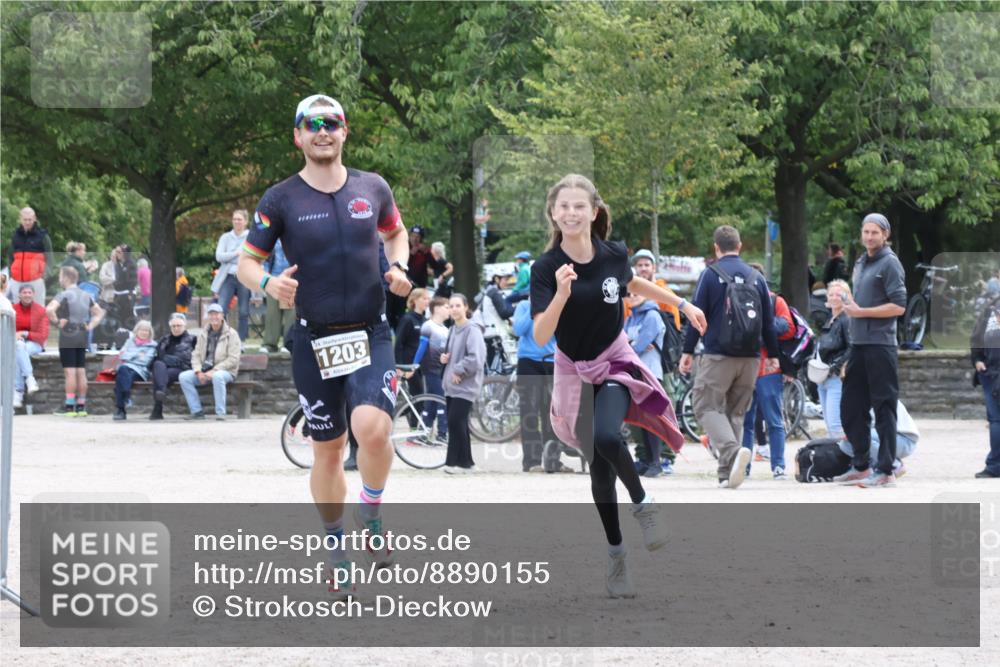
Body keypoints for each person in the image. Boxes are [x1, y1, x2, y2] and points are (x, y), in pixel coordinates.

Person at [236, 94, 411, 597]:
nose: (323, 132)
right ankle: (337, 548)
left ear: (344, 131)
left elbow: (395, 235)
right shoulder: (280, 199)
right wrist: (268, 285)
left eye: (331, 123)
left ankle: (371, 511)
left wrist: (396, 267)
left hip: (370, 331)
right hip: (314, 339)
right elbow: (248, 263)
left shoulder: (371, 187)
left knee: (373, 429)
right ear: (298, 136)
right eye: (312, 125)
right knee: (328, 451)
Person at [532, 174, 706, 599]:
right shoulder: (545, 267)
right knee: (598, 468)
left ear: (593, 212)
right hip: (574, 369)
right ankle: (616, 556)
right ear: (554, 214)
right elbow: (540, 336)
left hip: (615, 360)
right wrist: (560, 294)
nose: (571, 213)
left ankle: (644, 504)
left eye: (579, 206)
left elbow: (634, 284)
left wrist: (681, 302)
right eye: (564, 206)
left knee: (610, 435)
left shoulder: (613, 254)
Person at [679, 226, 779, 490]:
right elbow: (768, 323)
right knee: (735, 413)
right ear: (740, 245)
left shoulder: (710, 275)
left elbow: (696, 316)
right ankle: (728, 474)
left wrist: (687, 351)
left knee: (705, 405)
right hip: (751, 357)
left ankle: (732, 453)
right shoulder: (756, 277)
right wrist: (774, 356)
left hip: (718, 355)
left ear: (716, 247)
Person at [833, 213, 907, 488]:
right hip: (859, 345)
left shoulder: (890, 263)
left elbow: (899, 306)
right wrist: (850, 303)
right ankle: (861, 464)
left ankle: (886, 469)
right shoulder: (862, 261)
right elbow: (862, 300)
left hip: (881, 345)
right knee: (852, 406)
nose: (869, 237)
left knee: (884, 408)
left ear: (885, 234)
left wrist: (862, 311)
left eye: (875, 232)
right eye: (866, 232)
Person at [738, 263, 796, 480]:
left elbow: (788, 327)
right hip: (744, 369)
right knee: (745, 421)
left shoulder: (774, 301)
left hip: (768, 369)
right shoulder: (736, 299)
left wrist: (760, 330)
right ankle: (743, 467)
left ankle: (778, 466)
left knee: (774, 420)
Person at [513, 296, 570, 473]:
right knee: (529, 412)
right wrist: (534, 308)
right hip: (528, 362)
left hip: (551, 362)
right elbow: (518, 329)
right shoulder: (523, 306)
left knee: (551, 413)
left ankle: (552, 460)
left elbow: (562, 332)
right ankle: (531, 461)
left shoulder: (555, 305)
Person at [46, 266, 105, 417]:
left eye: (60, 276)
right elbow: (99, 312)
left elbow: (49, 309)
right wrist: (90, 325)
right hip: (82, 334)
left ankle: (69, 407)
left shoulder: (64, 294)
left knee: (69, 371)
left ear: (65, 278)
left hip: (68, 334)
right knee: (81, 370)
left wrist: (57, 322)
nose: (59, 279)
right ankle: (81, 406)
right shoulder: (86, 295)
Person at [624, 289, 668, 477]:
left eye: (636, 293)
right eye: (628, 293)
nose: (632, 295)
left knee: (652, 419)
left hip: (650, 374)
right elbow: (622, 345)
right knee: (639, 420)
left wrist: (632, 344)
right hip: (633, 373)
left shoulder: (652, 315)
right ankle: (645, 460)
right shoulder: (629, 319)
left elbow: (637, 347)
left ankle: (656, 462)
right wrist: (633, 344)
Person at [441, 294, 486, 473]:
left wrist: (459, 370)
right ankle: (467, 463)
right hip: (451, 385)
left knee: (454, 421)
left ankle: (451, 463)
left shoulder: (472, 330)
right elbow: (453, 354)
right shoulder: (452, 329)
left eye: (458, 305)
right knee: (459, 423)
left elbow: (476, 358)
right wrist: (445, 358)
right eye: (451, 306)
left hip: (467, 385)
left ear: (466, 307)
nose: (454, 309)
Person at [178, 303, 241, 420]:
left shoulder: (232, 334)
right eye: (211, 314)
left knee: (217, 377)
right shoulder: (203, 333)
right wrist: (198, 371)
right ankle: (197, 412)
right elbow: (195, 355)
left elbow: (233, 359)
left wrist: (215, 370)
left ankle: (220, 414)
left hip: (225, 372)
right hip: (205, 370)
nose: (214, 317)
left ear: (222, 315)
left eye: (216, 314)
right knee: (184, 377)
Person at [838, 401, 919, 478]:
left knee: (858, 437)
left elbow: (874, 424)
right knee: (846, 444)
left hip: (904, 440)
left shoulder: (876, 395)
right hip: (895, 439)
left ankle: (894, 465)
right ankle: (869, 468)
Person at [816, 279, 853, 440]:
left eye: (839, 294)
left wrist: (835, 368)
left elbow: (853, 347)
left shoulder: (847, 320)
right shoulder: (829, 320)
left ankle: (847, 461)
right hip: (823, 378)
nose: (834, 297)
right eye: (831, 294)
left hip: (836, 379)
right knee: (830, 425)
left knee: (836, 426)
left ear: (847, 296)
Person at [412, 296, 451, 442]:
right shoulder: (428, 326)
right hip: (431, 370)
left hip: (442, 370)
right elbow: (421, 348)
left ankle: (423, 433)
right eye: (447, 307)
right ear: (437, 309)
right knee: (442, 400)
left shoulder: (446, 329)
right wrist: (414, 365)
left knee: (432, 402)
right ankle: (442, 433)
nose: (449, 310)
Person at [971, 295, 1000, 478]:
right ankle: (994, 465)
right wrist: (977, 360)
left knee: (997, 420)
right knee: (996, 420)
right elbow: (976, 338)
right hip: (990, 372)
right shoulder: (991, 307)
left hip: (992, 370)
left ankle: (994, 465)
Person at [149, 312, 196, 420]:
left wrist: (174, 360)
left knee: (160, 375)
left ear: (184, 326)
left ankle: (158, 408)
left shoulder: (193, 340)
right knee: (158, 365)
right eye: (173, 326)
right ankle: (161, 391)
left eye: (179, 326)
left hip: (181, 369)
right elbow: (157, 356)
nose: (176, 328)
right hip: (163, 369)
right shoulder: (164, 340)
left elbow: (195, 358)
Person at [213, 210, 251, 341]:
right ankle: (220, 338)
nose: (236, 221)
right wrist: (236, 254)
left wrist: (228, 257)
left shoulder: (251, 236)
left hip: (244, 276)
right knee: (221, 308)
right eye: (234, 219)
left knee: (244, 311)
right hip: (227, 276)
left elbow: (250, 257)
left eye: (239, 219)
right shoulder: (225, 237)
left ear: (245, 221)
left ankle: (241, 341)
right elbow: (219, 257)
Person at [11, 284, 48, 409]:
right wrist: (15, 335)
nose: (27, 295)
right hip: (17, 344)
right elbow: (7, 328)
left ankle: (18, 392)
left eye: (29, 292)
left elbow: (43, 335)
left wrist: (25, 333)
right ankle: (29, 378)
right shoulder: (12, 309)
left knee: (18, 350)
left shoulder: (40, 310)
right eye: (24, 292)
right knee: (19, 346)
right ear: (19, 294)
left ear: (33, 294)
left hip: (35, 344)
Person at [112, 320, 157, 420]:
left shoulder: (153, 345)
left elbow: (144, 361)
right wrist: (138, 354)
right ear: (137, 331)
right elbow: (122, 355)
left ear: (150, 333)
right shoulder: (129, 342)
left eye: (147, 331)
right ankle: (126, 397)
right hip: (126, 369)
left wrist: (130, 355)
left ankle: (121, 409)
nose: (144, 333)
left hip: (140, 372)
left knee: (121, 374)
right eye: (142, 330)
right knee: (123, 372)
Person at [8, 207, 53, 304]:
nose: (27, 222)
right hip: (17, 280)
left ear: (35, 219)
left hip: (36, 280)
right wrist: (11, 274)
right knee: (18, 311)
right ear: (20, 219)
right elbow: (10, 257)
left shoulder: (43, 236)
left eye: (30, 220)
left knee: (38, 311)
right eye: (25, 219)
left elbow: (50, 259)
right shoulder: (15, 235)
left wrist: (43, 277)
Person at [260, 239, 296, 353]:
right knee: (272, 313)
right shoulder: (272, 239)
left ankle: (288, 344)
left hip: (292, 279)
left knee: (291, 314)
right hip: (273, 278)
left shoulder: (295, 235)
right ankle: (269, 344)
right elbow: (265, 260)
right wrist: (265, 278)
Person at [395, 288, 430, 397]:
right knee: (418, 395)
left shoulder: (426, 320)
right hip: (409, 364)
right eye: (424, 298)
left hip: (422, 365)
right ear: (414, 300)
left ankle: (412, 413)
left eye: (428, 299)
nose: (427, 301)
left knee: (422, 396)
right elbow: (399, 344)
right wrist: (399, 367)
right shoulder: (407, 319)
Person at [113, 245, 138, 330]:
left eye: (119, 252)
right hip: (119, 295)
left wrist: (129, 293)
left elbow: (132, 281)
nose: (117, 254)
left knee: (128, 318)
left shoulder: (131, 264)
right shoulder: (120, 264)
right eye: (116, 252)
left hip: (127, 294)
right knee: (120, 317)